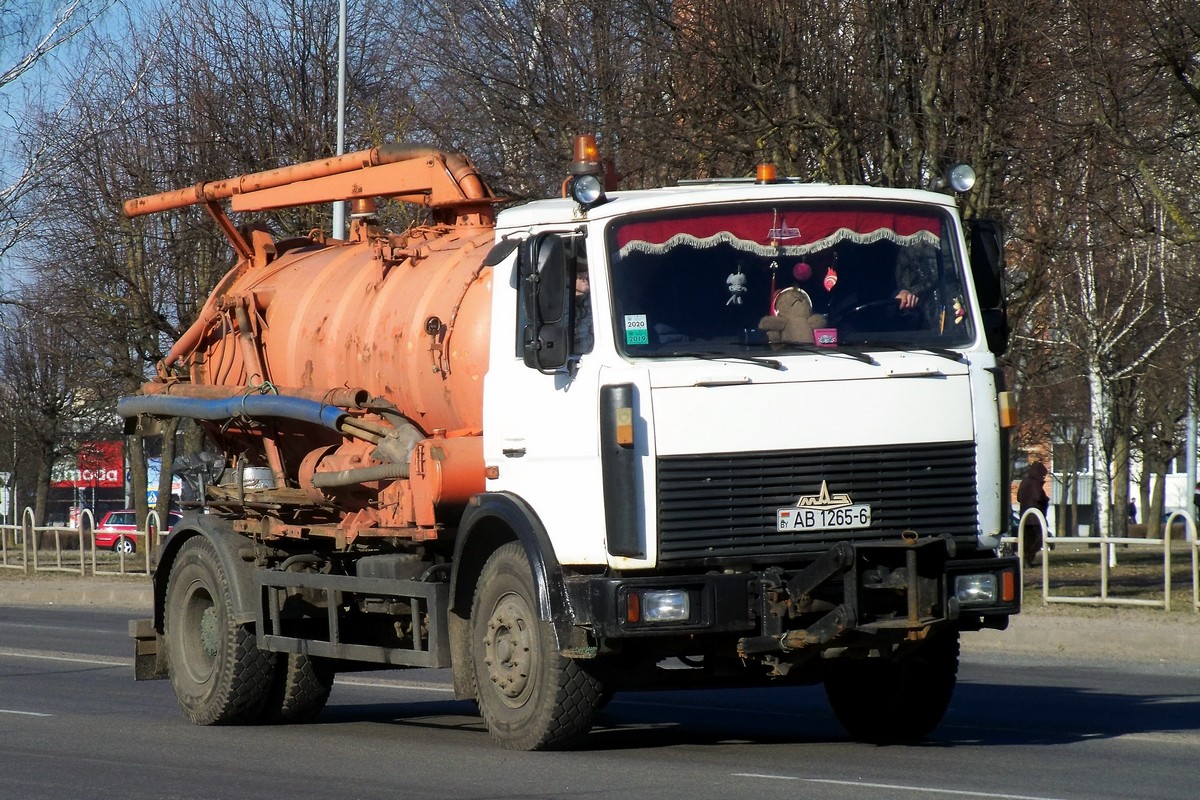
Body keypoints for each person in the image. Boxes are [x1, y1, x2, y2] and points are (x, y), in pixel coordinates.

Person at [1016, 461, 1050, 567]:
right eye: (1043, 475)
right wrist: (1045, 499)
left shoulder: (1024, 482)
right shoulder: (1035, 483)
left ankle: (1024, 559)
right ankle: (1027, 559)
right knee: (1039, 539)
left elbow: (1018, 498)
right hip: (1035, 518)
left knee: (1026, 540)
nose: (1044, 477)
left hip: (1025, 516)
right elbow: (1038, 497)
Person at [573, 265, 594, 353]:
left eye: (586, 273)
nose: (585, 278)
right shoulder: (561, 305)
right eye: (579, 275)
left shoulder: (601, 300)